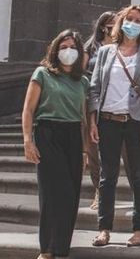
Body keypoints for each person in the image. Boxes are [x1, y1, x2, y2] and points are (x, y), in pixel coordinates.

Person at [88, 5, 140, 248]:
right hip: (108, 121)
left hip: (137, 122)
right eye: (129, 19)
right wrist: (92, 120)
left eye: (138, 20)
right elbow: (95, 88)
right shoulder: (106, 52)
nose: (133, 23)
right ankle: (104, 229)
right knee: (107, 177)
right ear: (121, 23)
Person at [22, 29, 90, 259]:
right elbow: (28, 110)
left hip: (72, 135)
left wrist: (84, 150)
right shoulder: (42, 74)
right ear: (55, 49)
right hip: (47, 133)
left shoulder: (82, 81)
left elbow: (82, 119)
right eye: (63, 47)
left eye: (72, 47)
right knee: (53, 191)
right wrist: (27, 140)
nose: (68, 51)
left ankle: (61, 247)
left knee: (71, 194)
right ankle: (47, 249)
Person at [83, 11, 117, 210]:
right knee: (93, 150)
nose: (114, 27)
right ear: (103, 26)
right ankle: (98, 190)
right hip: (93, 103)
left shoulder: (124, 46)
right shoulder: (90, 47)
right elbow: (81, 73)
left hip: (116, 103)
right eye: (110, 24)